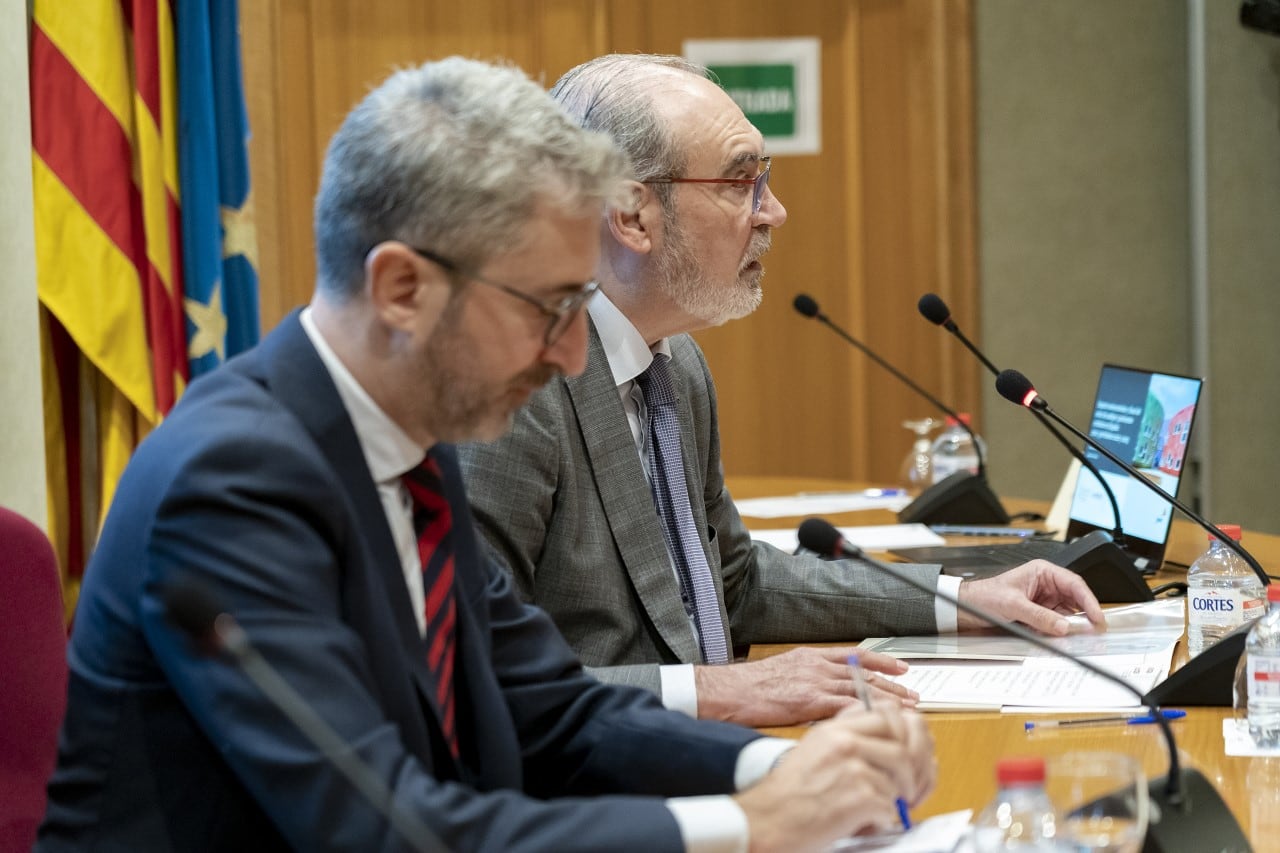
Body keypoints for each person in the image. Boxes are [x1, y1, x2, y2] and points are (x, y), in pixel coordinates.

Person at [38, 57, 936, 853]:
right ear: (401, 289)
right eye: (547, 308)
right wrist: (757, 824)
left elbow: (552, 709)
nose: (573, 355)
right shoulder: (232, 482)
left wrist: (780, 764)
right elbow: (380, 825)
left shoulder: (402, 444)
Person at [456, 54, 1107, 728]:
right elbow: (478, 677)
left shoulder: (675, 366)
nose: (774, 211)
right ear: (631, 216)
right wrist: (722, 692)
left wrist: (965, 600)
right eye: (741, 181)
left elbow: (736, 582)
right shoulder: (514, 390)